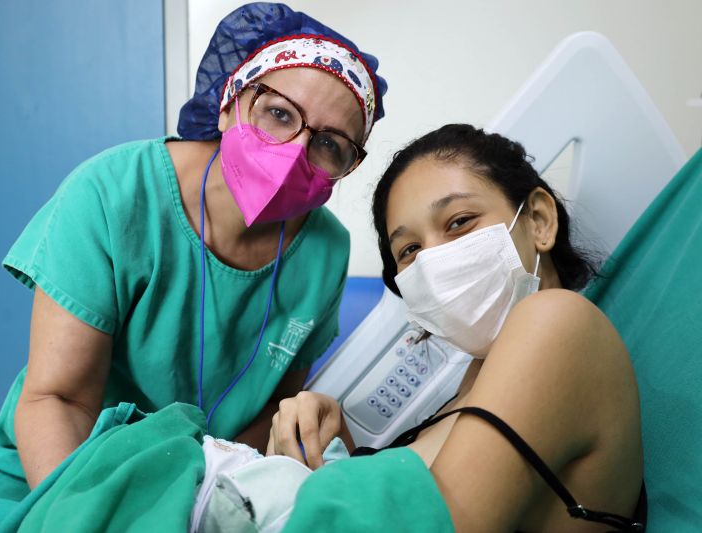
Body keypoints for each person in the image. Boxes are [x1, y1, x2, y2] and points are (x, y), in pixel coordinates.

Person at [0, 0, 387, 523]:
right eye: (277, 113)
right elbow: (59, 401)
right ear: (229, 104)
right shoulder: (114, 194)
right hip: (62, 476)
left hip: (206, 487)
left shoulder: (324, 250)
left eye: (330, 145)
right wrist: (90, 516)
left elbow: (273, 412)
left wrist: (212, 497)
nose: (294, 150)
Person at [268, 125, 645, 531]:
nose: (434, 263)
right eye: (410, 250)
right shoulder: (477, 377)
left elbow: (430, 523)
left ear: (539, 219)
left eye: (459, 221)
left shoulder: (557, 322)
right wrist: (336, 443)